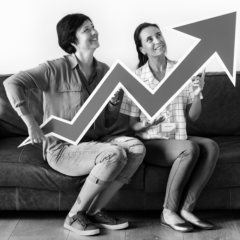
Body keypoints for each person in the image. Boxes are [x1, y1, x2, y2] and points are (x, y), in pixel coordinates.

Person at [3, 14, 146, 236]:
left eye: (93, 27)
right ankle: (74, 215)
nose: (94, 32)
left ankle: (96, 210)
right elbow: (12, 83)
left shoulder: (105, 71)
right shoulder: (53, 69)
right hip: (63, 149)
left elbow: (108, 122)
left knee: (136, 148)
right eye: (86, 29)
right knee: (113, 154)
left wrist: (114, 104)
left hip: (97, 142)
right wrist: (30, 123)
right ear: (72, 40)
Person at [120, 22, 219, 232]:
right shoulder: (136, 79)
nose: (157, 41)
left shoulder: (183, 71)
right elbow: (132, 126)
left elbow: (193, 116)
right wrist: (146, 123)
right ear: (142, 49)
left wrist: (196, 94)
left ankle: (186, 209)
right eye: (149, 39)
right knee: (189, 148)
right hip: (153, 143)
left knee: (211, 146)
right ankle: (168, 211)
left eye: (158, 35)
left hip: (179, 137)